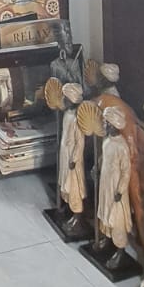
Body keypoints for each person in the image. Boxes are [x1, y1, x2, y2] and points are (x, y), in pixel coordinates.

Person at [97, 106, 132, 257]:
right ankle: (106, 238)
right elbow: (103, 157)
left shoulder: (122, 146)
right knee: (105, 211)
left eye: (106, 122)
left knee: (117, 217)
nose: (104, 124)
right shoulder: (107, 140)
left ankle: (120, 250)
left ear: (113, 125)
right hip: (105, 183)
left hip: (116, 186)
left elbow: (126, 171)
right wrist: (97, 167)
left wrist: (120, 190)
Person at [58, 82, 87, 224]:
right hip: (65, 153)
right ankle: (67, 205)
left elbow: (80, 142)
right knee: (64, 183)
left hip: (72, 157)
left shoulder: (77, 119)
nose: (63, 99)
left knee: (73, 185)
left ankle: (77, 214)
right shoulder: (67, 114)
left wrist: (74, 159)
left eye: (65, 97)